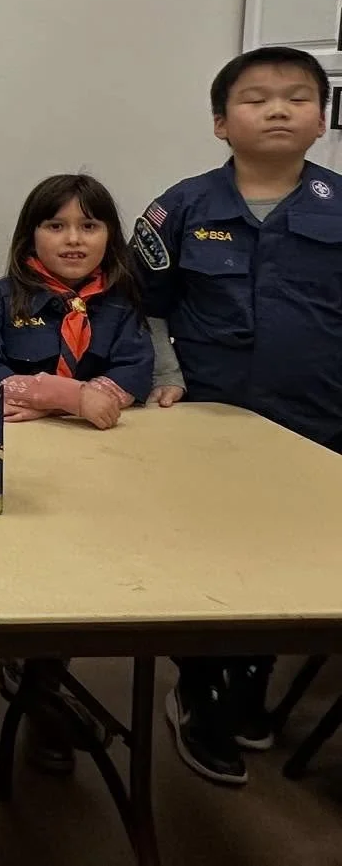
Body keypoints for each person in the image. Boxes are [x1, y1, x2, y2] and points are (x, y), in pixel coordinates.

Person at [132, 45, 342, 789]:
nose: (278, 109)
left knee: (292, 559)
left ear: (323, 117)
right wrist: (168, 379)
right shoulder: (180, 208)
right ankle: (200, 687)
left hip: (319, 426)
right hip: (210, 423)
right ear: (222, 122)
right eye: (256, 98)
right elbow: (144, 310)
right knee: (209, 557)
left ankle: (249, 674)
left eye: (296, 96)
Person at [0, 173, 152, 774]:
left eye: (89, 226)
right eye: (56, 225)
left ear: (109, 238)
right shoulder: (1, 300)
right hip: (21, 468)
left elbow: (132, 378)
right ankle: (33, 674)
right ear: (28, 239)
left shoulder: (121, 306)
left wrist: (51, 395)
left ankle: (46, 678)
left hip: (103, 473)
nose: (73, 239)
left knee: (82, 573)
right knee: (33, 570)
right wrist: (66, 395)